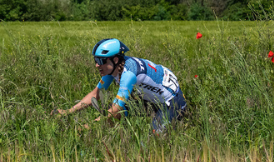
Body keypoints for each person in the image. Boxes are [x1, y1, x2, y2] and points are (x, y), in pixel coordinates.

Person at [57, 38, 187, 134]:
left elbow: (115, 108)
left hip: (173, 102)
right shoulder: (113, 69)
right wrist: (67, 112)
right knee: (116, 115)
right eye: (96, 60)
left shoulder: (128, 74)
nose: (97, 65)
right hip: (153, 98)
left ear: (115, 60)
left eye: (101, 61)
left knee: (149, 141)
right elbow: (95, 94)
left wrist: (88, 126)